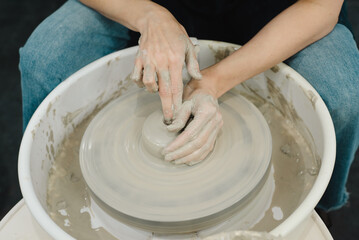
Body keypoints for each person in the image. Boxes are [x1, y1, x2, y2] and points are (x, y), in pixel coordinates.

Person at [19, 0, 359, 212]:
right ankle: (42, 198)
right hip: (152, 7)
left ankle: (321, 204)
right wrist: (150, 16)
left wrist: (213, 81)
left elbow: (320, 7)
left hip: (279, 13)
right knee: (46, 60)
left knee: (339, 95)